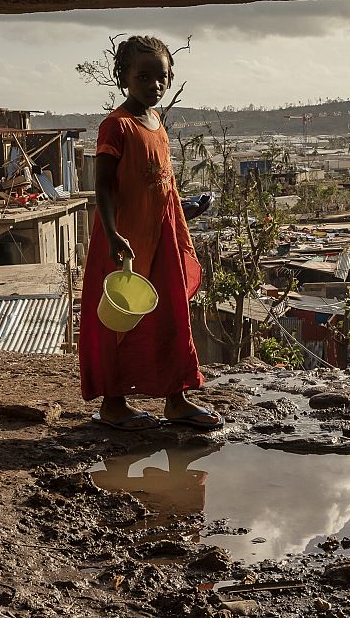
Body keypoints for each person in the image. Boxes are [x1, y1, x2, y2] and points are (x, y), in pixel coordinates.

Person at [78, 36, 223, 432]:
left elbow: (161, 183)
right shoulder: (116, 126)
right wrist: (111, 234)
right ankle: (113, 404)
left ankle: (176, 399)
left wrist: (183, 212)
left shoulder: (156, 122)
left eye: (162, 78)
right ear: (123, 77)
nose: (154, 86)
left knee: (171, 315)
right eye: (144, 77)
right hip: (124, 241)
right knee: (119, 323)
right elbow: (103, 188)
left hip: (161, 236)